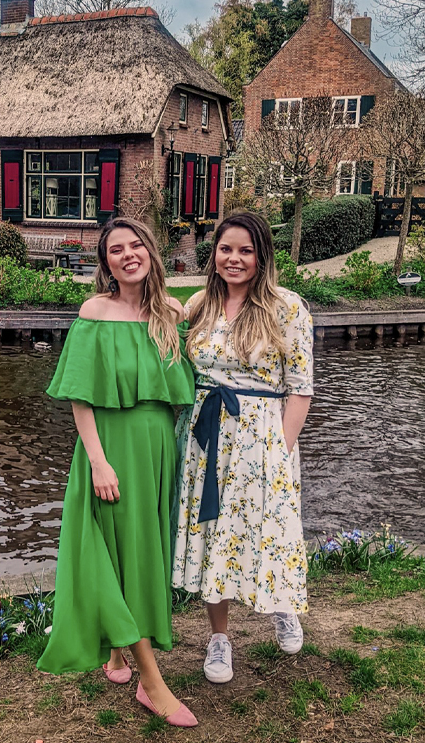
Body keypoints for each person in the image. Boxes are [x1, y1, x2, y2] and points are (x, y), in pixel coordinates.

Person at [37, 217, 198, 728]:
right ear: (105, 264)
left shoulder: (169, 312)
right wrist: (98, 461)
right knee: (118, 548)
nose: (127, 255)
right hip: (112, 449)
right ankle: (154, 686)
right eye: (115, 250)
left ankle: (117, 655)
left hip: (157, 448)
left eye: (135, 246)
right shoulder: (95, 312)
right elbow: (81, 397)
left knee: (140, 548)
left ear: (150, 251)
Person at [173, 211, 313, 685]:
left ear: (261, 256)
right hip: (208, 437)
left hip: (263, 439)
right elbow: (155, 326)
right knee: (216, 534)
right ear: (214, 254)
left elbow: (301, 387)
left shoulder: (286, 307)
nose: (234, 259)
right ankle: (219, 638)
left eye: (245, 250)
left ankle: (283, 608)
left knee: (270, 527)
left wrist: (281, 448)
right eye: (226, 249)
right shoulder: (199, 304)